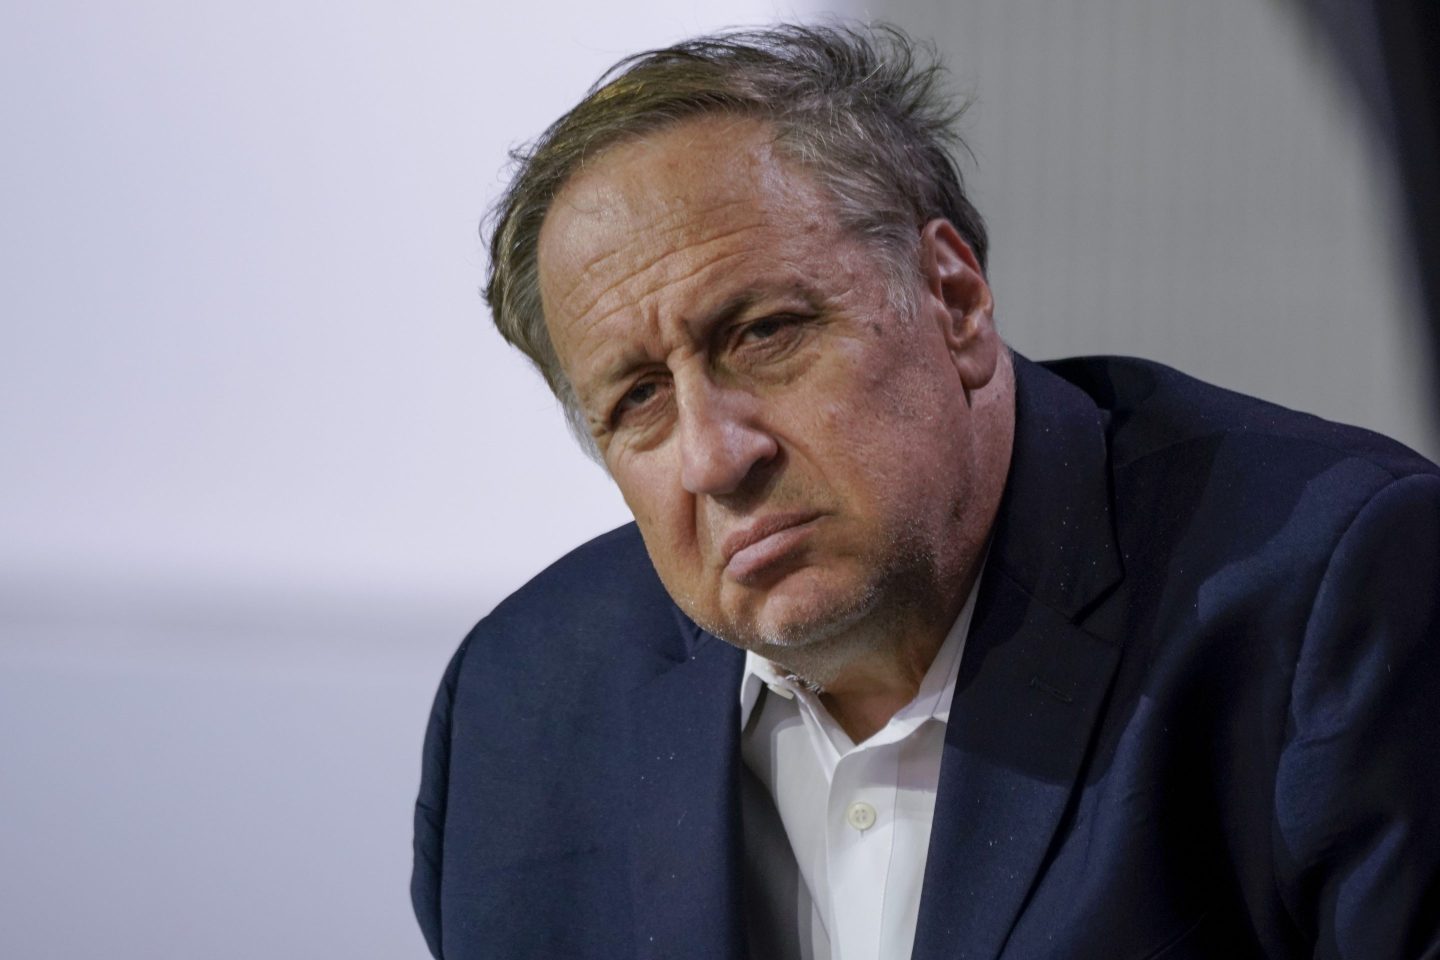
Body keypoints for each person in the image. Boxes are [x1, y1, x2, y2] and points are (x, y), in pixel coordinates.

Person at [411, 24, 1440, 960]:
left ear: (953, 298)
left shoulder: (1330, 594)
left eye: (764, 334)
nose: (716, 459)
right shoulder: (521, 713)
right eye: (639, 398)